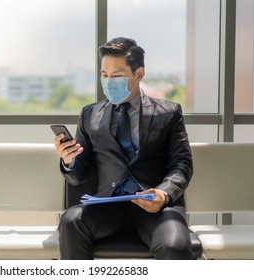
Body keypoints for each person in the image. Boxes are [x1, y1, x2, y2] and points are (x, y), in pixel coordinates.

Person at [54, 37, 194, 260]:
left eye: (117, 76)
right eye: (104, 75)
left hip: (155, 207)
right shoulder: (89, 115)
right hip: (106, 209)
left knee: (175, 246)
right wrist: (69, 161)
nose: (108, 81)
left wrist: (163, 193)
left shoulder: (169, 113)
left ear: (138, 74)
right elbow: (79, 175)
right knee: (71, 221)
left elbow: (182, 164)